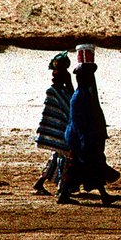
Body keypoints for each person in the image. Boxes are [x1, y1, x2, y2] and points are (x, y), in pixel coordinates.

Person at [58, 44, 120, 204]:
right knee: (84, 166)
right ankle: (66, 194)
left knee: (88, 166)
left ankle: (103, 195)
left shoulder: (83, 94)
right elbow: (80, 123)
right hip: (81, 140)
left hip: (81, 139)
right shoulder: (80, 97)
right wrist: (86, 141)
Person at [32, 52, 73, 195]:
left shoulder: (61, 90)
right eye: (54, 75)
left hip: (63, 129)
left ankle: (40, 183)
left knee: (57, 157)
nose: (53, 77)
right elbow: (67, 108)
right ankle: (63, 189)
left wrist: (69, 83)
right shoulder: (53, 91)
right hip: (61, 130)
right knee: (65, 158)